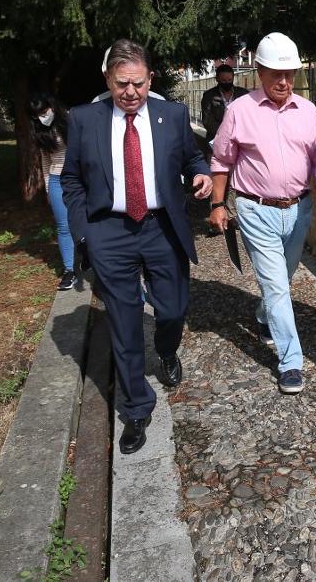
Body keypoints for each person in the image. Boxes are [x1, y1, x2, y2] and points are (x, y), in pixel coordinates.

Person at [62, 39, 212, 455]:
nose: (130, 92)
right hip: (109, 231)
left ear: (151, 79)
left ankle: (166, 349)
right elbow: (71, 180)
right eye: (121, 83)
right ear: (107, 79)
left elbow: (192, 159)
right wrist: (84, 231)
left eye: (139, 83)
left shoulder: (172, 115)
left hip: (161, 227)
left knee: (173, 308)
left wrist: (200, 175)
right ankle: (136, 409)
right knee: (124, 321)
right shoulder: (84, 119)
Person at [207, 32, 316, 394]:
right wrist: (218, 204)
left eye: (289, 74)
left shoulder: (307, 111)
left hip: (299, 210)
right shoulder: (240, 110)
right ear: (260, 72)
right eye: (276, 74)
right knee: (277, 285)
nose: (283, 81)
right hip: (256, 210)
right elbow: (221, 161)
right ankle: (291, 361)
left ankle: (265, 316)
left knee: (284, 278)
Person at [28, 93, 76, 291]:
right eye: (37, 114)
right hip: (57, 179)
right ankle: (69, 270)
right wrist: (49, 188)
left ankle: (93, 258)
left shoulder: (71, 119)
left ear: (52, 106)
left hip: (78, 179)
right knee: (63, 226)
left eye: (44, 111)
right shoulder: (40, 132)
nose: (43, 116)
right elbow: (45, 161)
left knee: (89, 221)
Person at [200, 64, 249, 145]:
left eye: (230, 80)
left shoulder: (243, 94)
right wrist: (226, 134)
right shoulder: (209, 96)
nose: (227, 83)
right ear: (217, 79)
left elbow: (248, 116)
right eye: (223, 80)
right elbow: (207, 121)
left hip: (240, 139)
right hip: (216, 139)